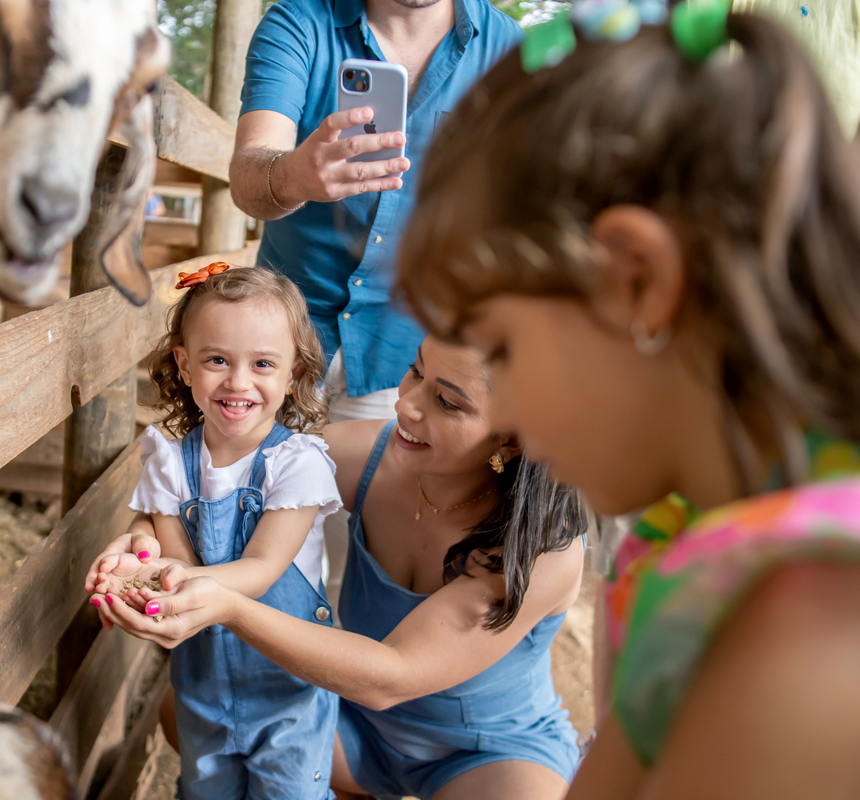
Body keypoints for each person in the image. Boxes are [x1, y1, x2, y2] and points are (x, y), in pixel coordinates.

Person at [393, 3, 860, 797]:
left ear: (636, 280)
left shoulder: (811, 632)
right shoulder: (691, 526)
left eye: (501, 350)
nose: (501, 415)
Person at [92, 335, 587, 800]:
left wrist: (229, 608)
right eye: (415, 372)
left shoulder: (545, 547)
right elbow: (212, 479)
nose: (405, 404)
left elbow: (392, 676)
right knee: (187, 717)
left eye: (449, 402)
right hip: (349, 720)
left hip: (486, 749)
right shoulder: (371, 454)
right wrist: (143, 535)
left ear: (514, 439)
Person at [230, 0, 526, 610]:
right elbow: (248, 175)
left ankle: (343, 694)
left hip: (411, 363)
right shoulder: (299, 21)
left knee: (368, 559)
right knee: (253, 537)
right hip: (283, 346)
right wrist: (293, 176)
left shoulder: (510, 51)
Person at [88, 264, 343, 800]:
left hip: (287, 691)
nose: (238, 382)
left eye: (263, 364)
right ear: (184, 364)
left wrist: (172, 579)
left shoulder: (296, 464)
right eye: (218, 359)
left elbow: (262, 569)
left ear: (294, 372)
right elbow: (176, 561)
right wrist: (142, 570)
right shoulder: (168, 460)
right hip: (201, 682)